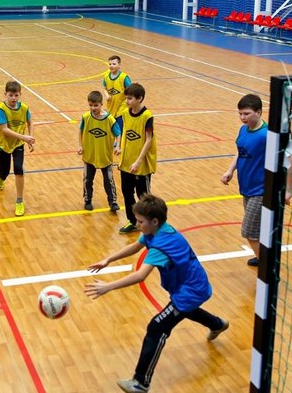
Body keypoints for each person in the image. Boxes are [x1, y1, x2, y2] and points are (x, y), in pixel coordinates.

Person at [85, 195, 229, 393]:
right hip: (187, 286)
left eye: (140, 221)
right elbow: (135, 247)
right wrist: (108, 259)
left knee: (157, 327)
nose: (137, 224)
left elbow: (140, 275)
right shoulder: (156, 231)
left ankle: (140, 382)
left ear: (154, 221)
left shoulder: (162, 245)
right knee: (184, 311)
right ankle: (218, 324)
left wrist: (108, 287)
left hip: (190, 291)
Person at [220, 94, 268, 267]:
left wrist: (287, 190)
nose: (242, 117)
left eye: (246, 114)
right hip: (247, 187)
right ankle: (262, 256)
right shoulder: (243, 130)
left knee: (249, 230)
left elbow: (288, 160)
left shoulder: (266, 135)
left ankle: (267, 265)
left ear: (259, 112)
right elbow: (240, 151)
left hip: (261, 190)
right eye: (240, 114)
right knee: (258, 228)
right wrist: (230, 170)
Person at [117, 83, 156, 234]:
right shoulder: (125, 114)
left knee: (144, 197)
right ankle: (133, 222)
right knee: (127, 193)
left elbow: (149, 140)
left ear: (139, 98)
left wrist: (138, 161)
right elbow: (125, 132)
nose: (127, 101)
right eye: (126, 98)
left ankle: (151, 223)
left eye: (130, 98)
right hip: (126, 162)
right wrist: (119, 146)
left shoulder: (147, 116)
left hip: (141, 164)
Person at [0, 81, 35, 217]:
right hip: (4, 145)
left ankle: (19, 201)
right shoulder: (1, 109)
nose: (13, 98)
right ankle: (1, 179)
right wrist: (24, 137)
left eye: (16, 95)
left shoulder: (24, 108)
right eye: (10, 95)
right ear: (5, 94)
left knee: (19, 169)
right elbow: (4, 130)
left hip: (18, 144)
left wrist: (30, 138)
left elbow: (30, 121)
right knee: (4, 171)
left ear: (20, 95)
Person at [77, 90, 121, 212]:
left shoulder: (109, 119)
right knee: (88, 180)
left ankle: (113, 202)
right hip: (90, 155)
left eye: (96, 105)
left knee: (109, 181)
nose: (93, 108)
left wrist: (117, 146)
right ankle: (88, 200)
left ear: (101, 104)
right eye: (90, 105)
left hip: (104, 155)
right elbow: (80, 130)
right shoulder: (86, 117)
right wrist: (80, 145)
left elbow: (118, 133)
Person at [102, 55, 132, 119]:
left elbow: (131, 90)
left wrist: (128, 100)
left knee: (119, 123)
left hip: (122, 106)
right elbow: (104, 88)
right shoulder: (106, 76)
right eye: (110, 64)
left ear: (119, 65)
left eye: (114, 64)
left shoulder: (124, 77)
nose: (111, 66)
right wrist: (106, 95)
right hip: (111, 106)